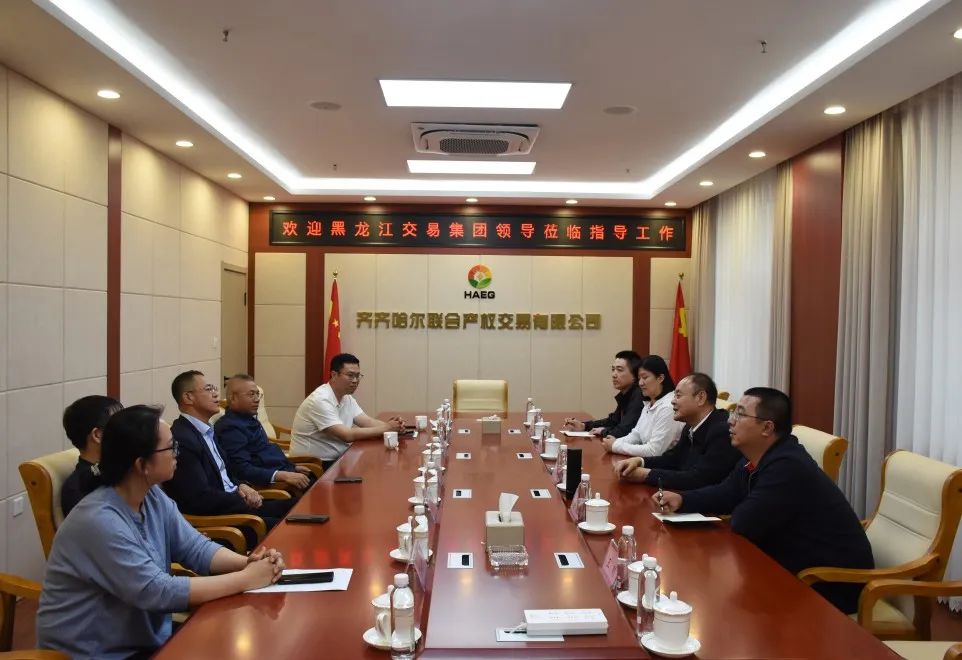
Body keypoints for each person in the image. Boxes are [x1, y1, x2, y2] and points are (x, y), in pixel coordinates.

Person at [37, 405, 285, 659]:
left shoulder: (151, 494)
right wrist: (247, 579)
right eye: (171, 447)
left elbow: (194, 547)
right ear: (141, 464)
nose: (177, 453)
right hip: (99, 652)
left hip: (144, 639)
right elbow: (157, 591)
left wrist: (248, 563)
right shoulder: (98, 520)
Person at [653, 387, 874, 614]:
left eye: (740, 414)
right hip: (788, 567)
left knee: (723, 606)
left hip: (829, 584)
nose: (730, 421)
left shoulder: (788, 467)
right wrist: (682, 499)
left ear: (767, 428)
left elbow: (744, 522)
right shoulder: (759, 456)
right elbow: (726, 492)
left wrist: (731, 508)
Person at [163, 371, 294, 539]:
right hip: (221, 519)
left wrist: (241, 486)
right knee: (291, 527)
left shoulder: (207, 430)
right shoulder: (183, 438)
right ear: (188, 397)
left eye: (214, 388)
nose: (216, 394)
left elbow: (227, 472)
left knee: (298, 508)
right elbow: (200, 498)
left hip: (236, 503)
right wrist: (240, 498)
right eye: (208, 389)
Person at [614, 372, 740, 489]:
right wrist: (639, 461)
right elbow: (673, 459)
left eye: (678, 396)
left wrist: (646, 475)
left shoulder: (722, 431)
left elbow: (699, 479)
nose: (673, 401)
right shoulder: (689, 426)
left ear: (700, 398)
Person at [290, 353, 404, 467]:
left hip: (339, 459)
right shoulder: (320, 400)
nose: (355, 380)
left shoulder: (346, 397)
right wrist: (387, 428)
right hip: (314, 465)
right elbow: (346, 435)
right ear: (334, 375)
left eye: (358, 376)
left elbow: (368, 422)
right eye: (350, 375)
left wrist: (395, 427)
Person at [215, 374, 313, 490]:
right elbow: (242, 470)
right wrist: (283, 475)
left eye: (258, 394)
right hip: (267, 487)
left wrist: (292, 467)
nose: (257, 399)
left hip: (280, 471)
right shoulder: (230, 427)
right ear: (233, 398)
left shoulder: (248, 418)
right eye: (251, 394)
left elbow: (265, 452)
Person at [602, 354, 684, 458]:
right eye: (639, 378)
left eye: (645, 377)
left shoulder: (669, 406)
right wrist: (615, 442)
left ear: (660, 378)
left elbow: (654, 451)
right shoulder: (649, 403)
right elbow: (636, 435)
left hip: (664, 465)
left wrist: (615, 446)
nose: (640, 383)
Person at [61, 395, 123, 516]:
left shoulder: (121, 470)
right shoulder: (78, 489)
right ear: (97, 435)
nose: (129, 429)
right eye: (120, 424)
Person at [563, 350, 644, 438]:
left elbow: (624, 430)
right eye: (613, 369)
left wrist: (603, 431)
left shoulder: (638, 396)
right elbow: (613, 421)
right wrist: (584, 426)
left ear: (635, 375)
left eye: (619, 370)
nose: (614, 375)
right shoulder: (626, 394)